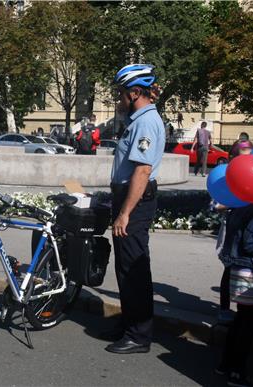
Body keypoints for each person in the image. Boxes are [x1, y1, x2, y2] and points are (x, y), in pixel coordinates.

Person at [105, 63, 165, 354]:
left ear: (135, 93)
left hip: (136, 203)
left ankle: (139, 335)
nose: (118, 99)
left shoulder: (145, 122)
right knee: (125, 267)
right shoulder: (137, 119)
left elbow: (142, 171)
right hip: (127, 197)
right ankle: (129, 323)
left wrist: (125, 212)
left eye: (120, 93)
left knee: (135, 268)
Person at [216, 204, 253, 386]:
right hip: (252, 272)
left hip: (242, 269)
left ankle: (226, 364)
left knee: (241, 320)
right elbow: (251, 244)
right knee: (248, 324)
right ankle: (237, 372)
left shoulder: (240, 208)